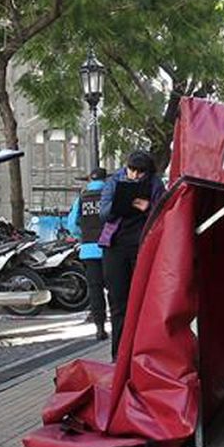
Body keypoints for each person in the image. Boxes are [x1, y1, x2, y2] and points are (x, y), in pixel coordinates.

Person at [97, 151, 166, 359]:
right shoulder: (114, 181)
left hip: (142, 246)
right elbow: (104, 214)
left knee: (143, 301)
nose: (135, 175)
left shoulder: (155, 184)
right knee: (118, 302)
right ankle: (118, 355)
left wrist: (147, 207)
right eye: (132, 170)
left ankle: (142, 353)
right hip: (115, 246)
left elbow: (163, 213)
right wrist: (122, 203)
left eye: (140, 172)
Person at [63, 167, 109, 341]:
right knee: (114, 288)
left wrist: (82, 236)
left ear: (90, 179)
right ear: (105, 179)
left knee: (95, 289)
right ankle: (120, 325)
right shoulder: (109, 195)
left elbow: (72, 225)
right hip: (109, 248)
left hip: (89, 249)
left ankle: (99, 327)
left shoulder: (82, 198)